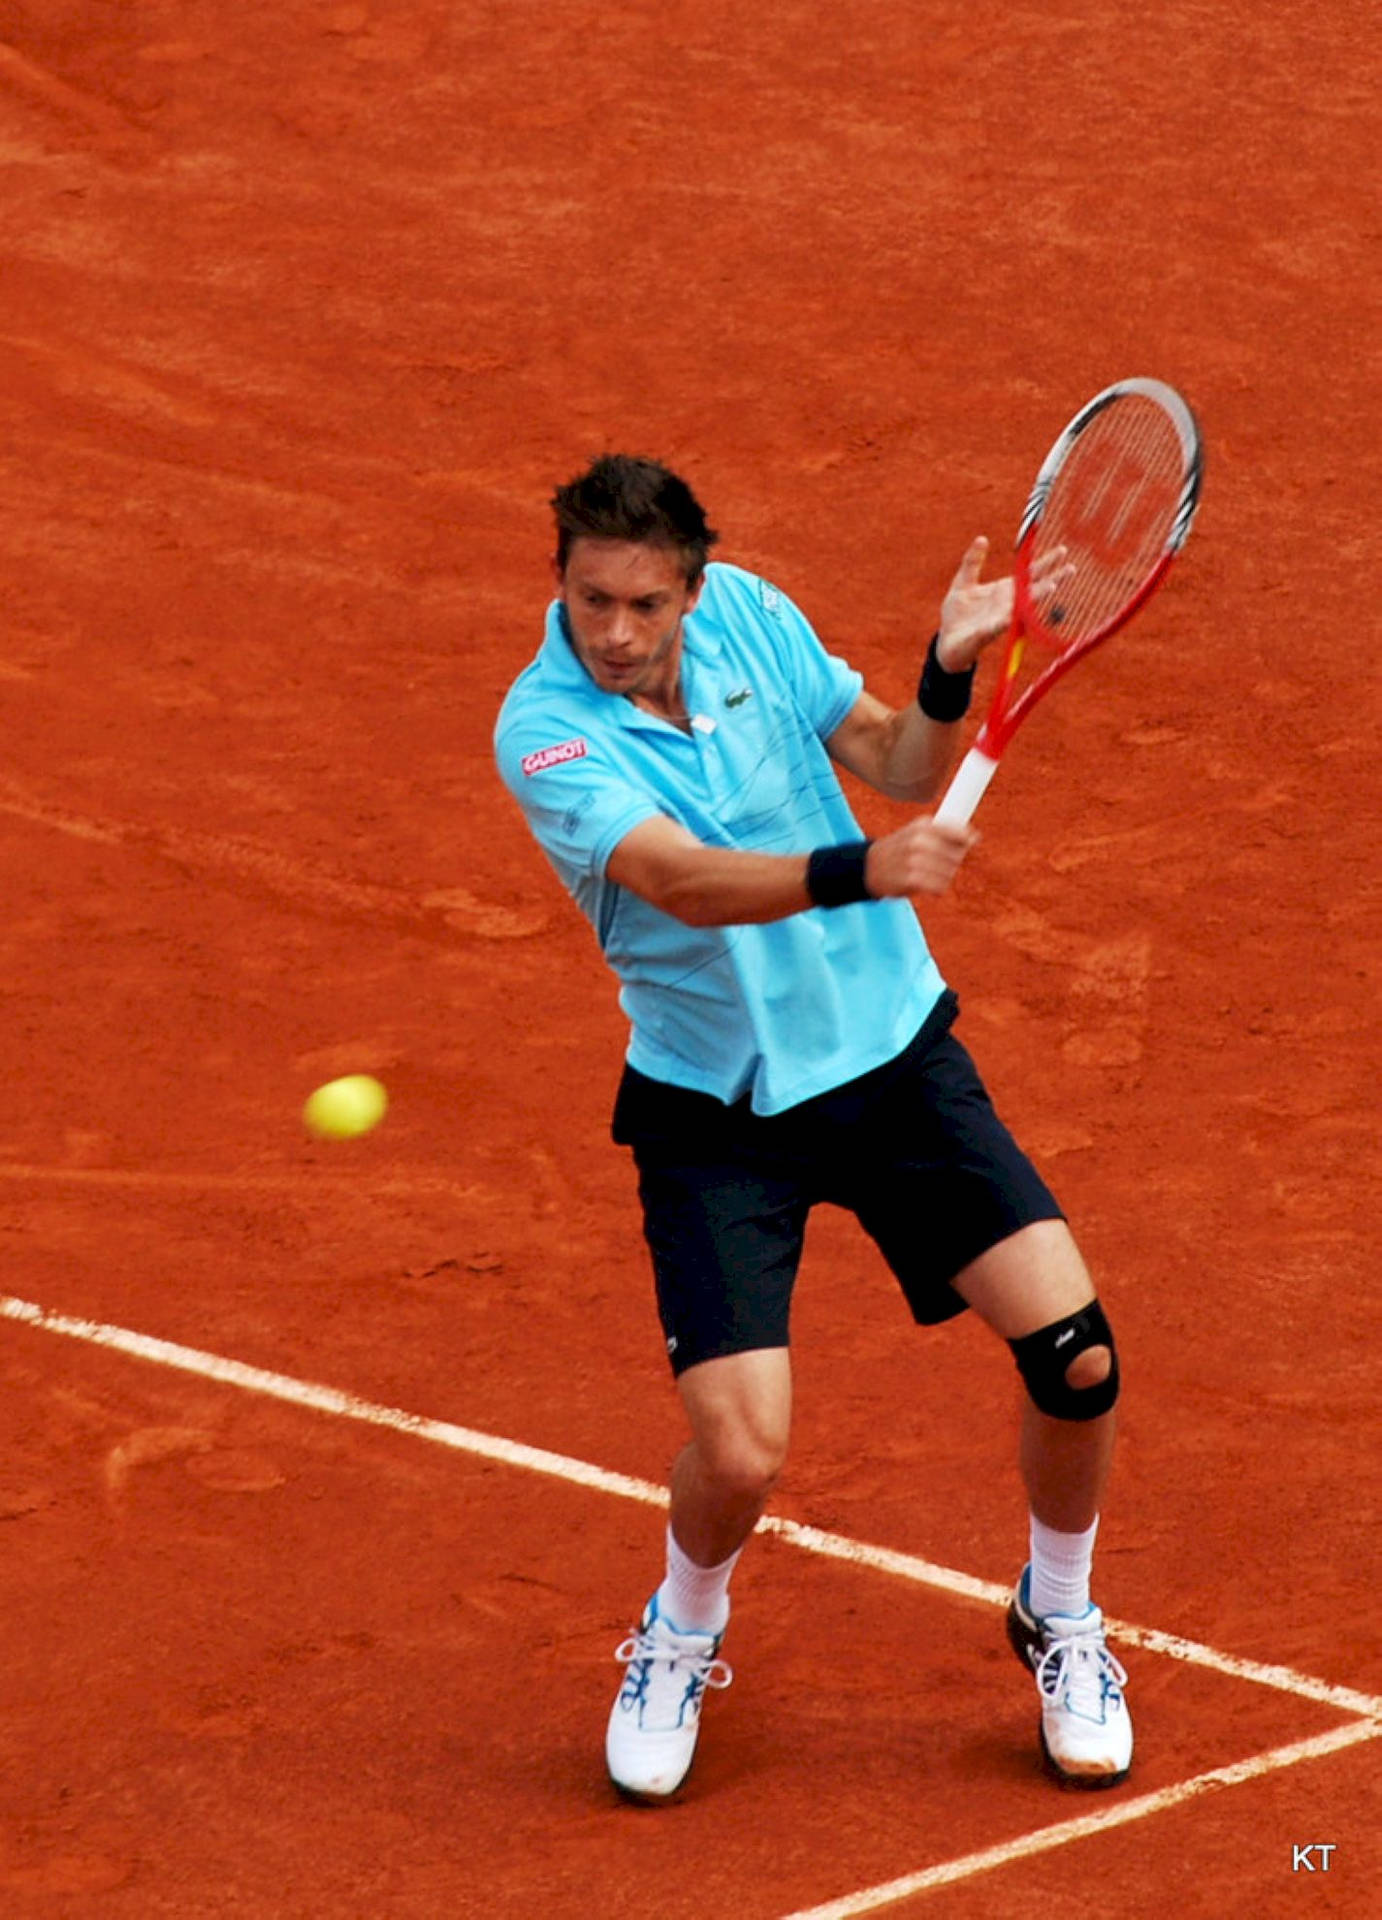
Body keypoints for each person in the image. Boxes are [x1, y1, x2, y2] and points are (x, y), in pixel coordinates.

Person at [493, 453, 1132, 1800]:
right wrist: (858, 869)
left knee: (1075, 1358)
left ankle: (1057, 1612)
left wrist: (949, 670)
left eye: (644, 605)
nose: (611, 633)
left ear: (695, 589)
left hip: (887, 1055)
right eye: (589, 600)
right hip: (713, 1108)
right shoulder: (542, 728)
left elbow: (899, 760)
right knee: (738, 1450)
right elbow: (674, 879)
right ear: (561, 583)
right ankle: (679, 1631)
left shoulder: (757, 620)